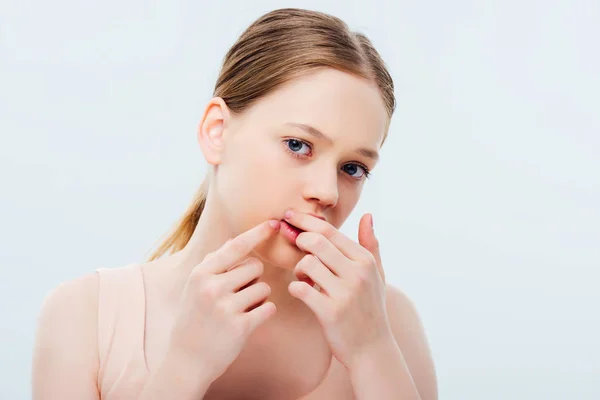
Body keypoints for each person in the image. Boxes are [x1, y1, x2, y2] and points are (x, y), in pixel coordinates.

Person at [32, 8, 437, 400]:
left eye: (352, 168)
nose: (327, 193)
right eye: (298, 145)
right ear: (217, 132)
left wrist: (371, 352)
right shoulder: (84, 317)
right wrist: (184, 367)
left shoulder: (389, 323)